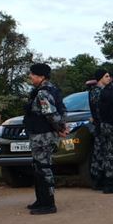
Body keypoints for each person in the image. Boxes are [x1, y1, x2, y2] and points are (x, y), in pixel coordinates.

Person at [23, 63, 68, 214]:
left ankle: (48, 204)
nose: (30, 76)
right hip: (39, 135)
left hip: (43, 136)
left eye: (33, 74)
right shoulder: (46, 90)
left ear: (41, 76)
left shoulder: (43, 93)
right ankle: (40, 200)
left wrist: (60, 129)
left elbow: (51, 114)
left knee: (44, 169)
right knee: (38, 168)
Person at [88, 69, 112, 190]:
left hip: (103, 126)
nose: (109, 78)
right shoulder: (96, 92)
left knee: (104, 152)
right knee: (100, 153)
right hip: (101, 126)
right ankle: (98, 179)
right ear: (100, 78)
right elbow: (99, 110)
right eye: (106, 76)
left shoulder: (104, 91)